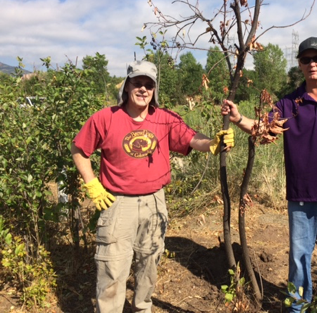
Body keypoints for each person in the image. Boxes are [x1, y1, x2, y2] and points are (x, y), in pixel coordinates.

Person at [221, 37, 317, 312]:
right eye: (306, 59)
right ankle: (299, 307)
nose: (312, 64)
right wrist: (238, 119)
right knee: (300, 256)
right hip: (303, 194)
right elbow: (263, 128)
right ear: (300, 65)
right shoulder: (289, 103)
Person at [71, 60, 234, 313]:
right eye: (137, 83)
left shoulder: (165, 119)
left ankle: (142, 309)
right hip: (117, 204)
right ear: (127, 86)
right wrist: (92, 184)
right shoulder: (105, 118)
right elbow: (79, 150)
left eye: (149, 85)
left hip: (154, 202)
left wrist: (212, 141)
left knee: (148, 267)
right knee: (112, 270)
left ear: (155, 89)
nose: (143, 89)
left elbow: (192, 138)